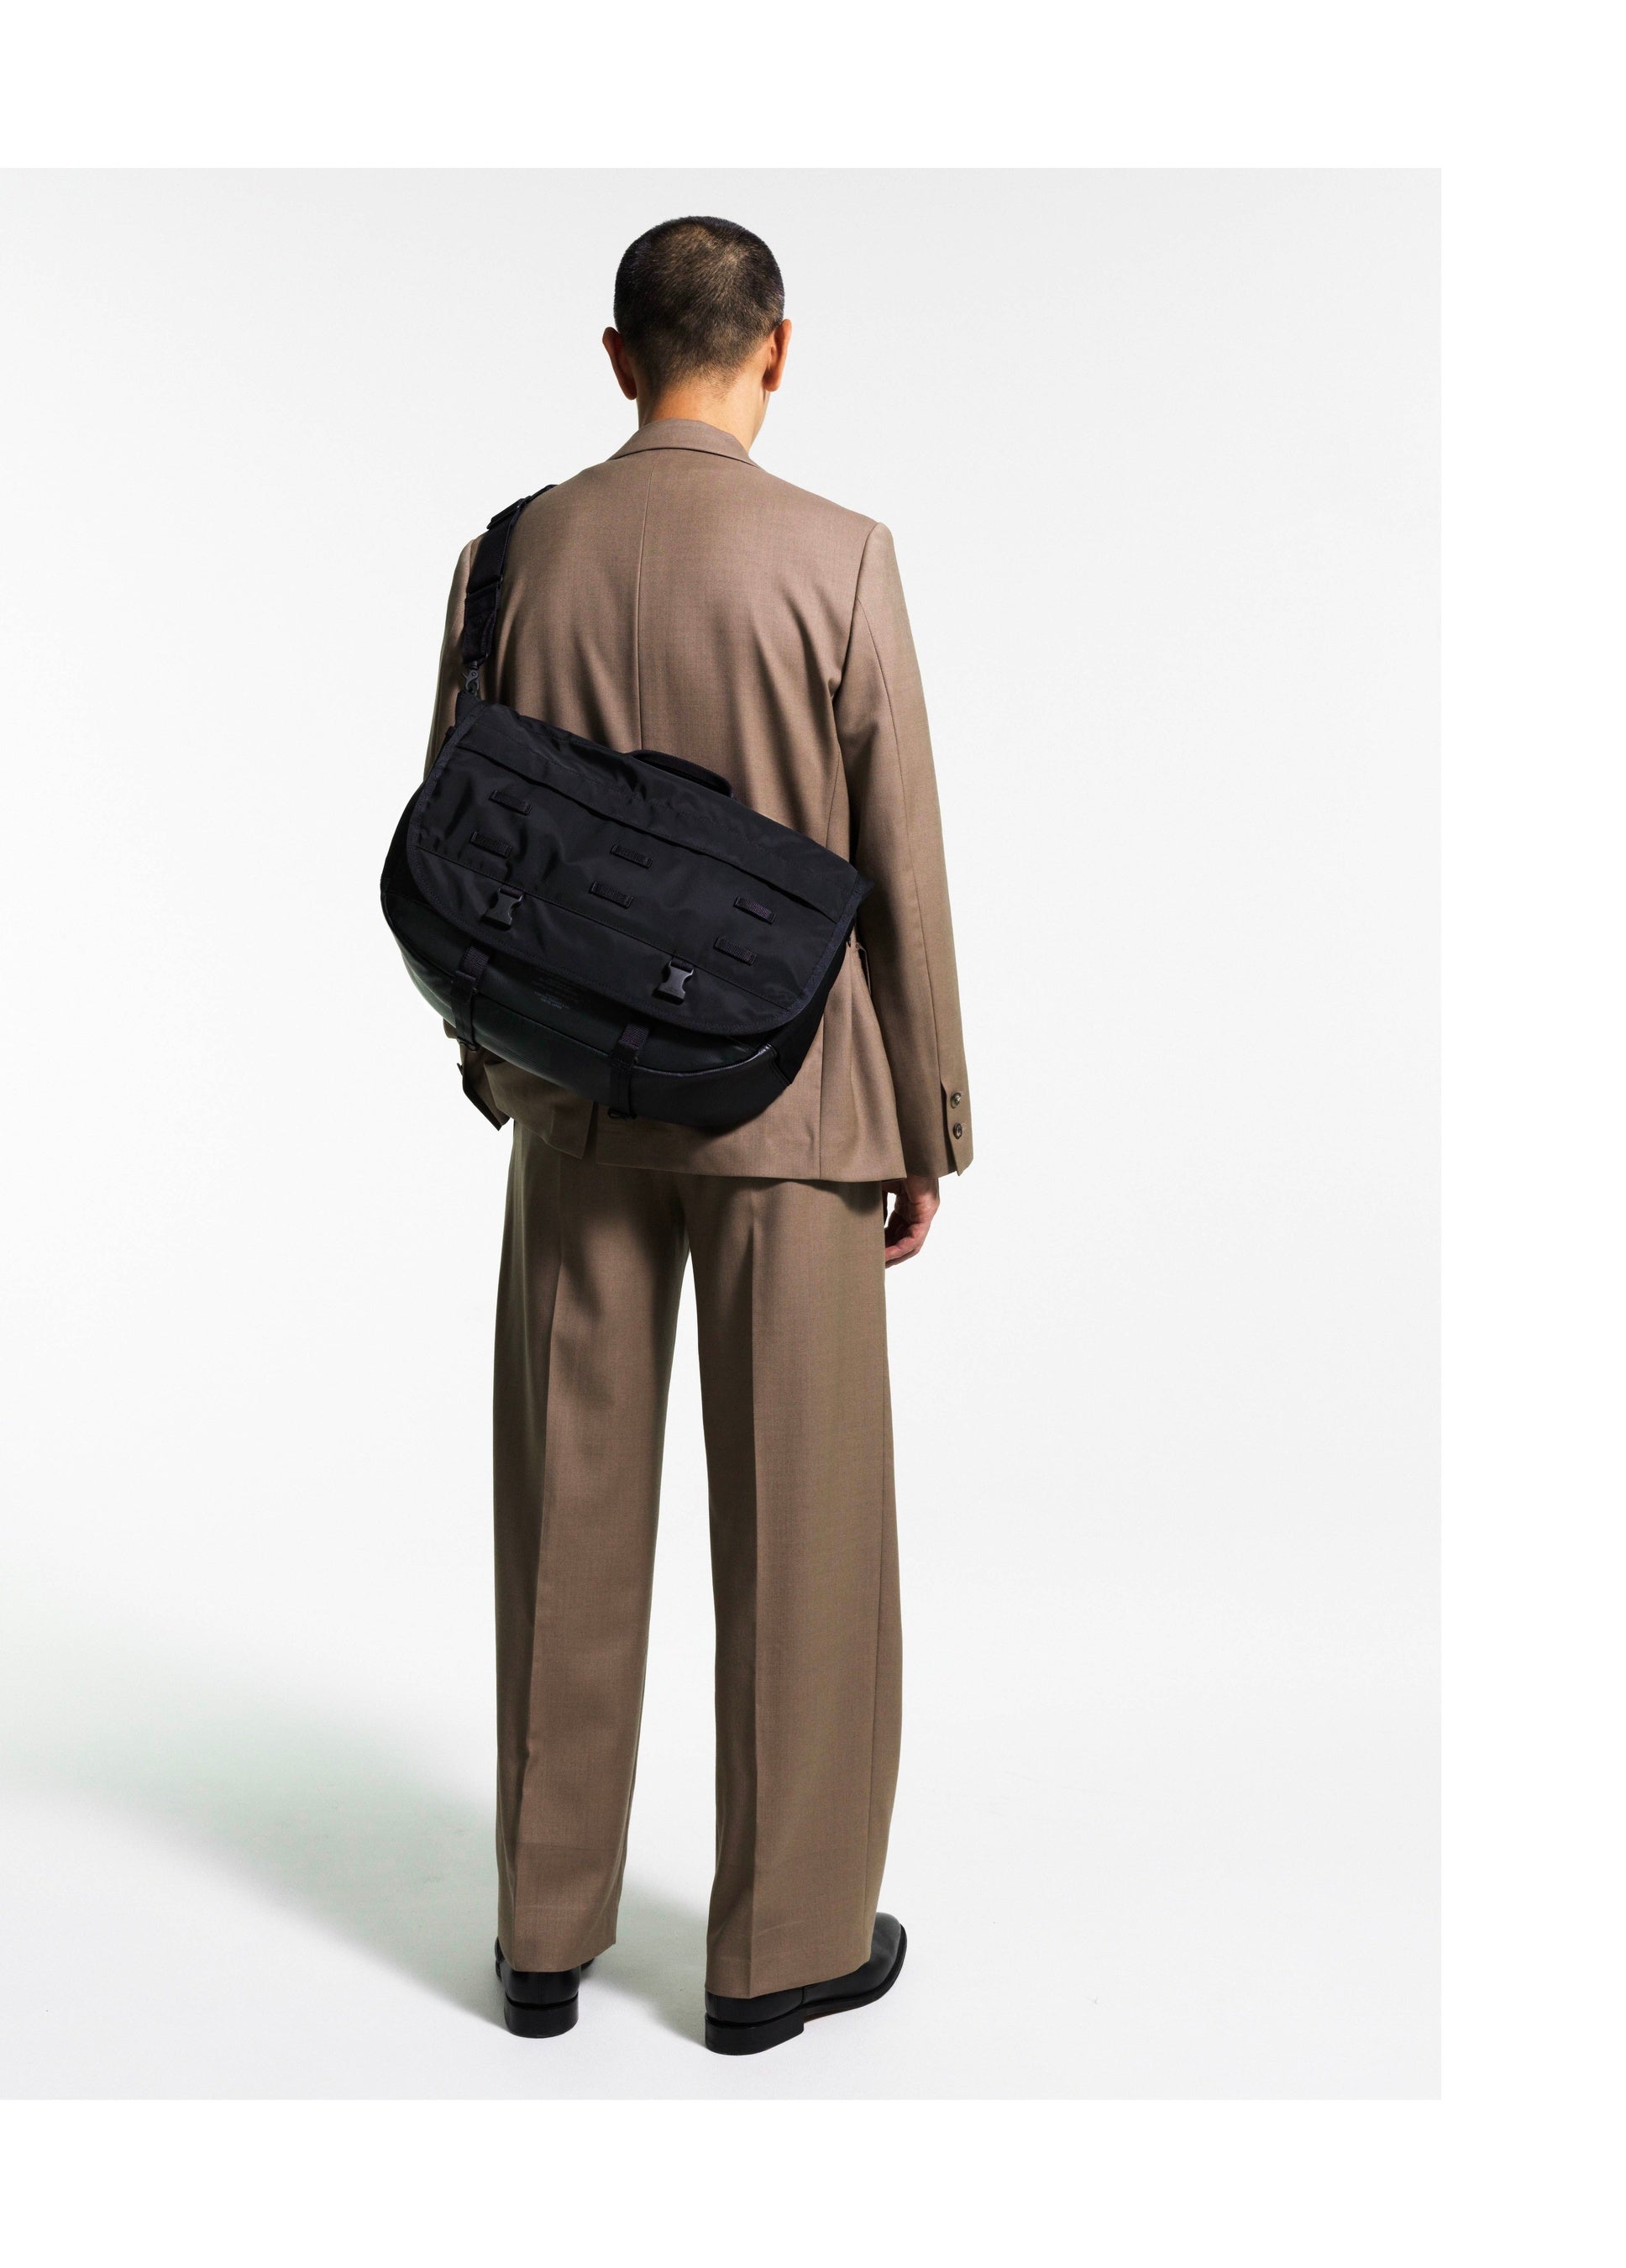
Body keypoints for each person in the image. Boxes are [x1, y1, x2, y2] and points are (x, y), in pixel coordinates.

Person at [420, 215, 973, 2055]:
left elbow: (460, 841)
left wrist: (498, 1070)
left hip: (577, 1104)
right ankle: (776, 1954)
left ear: (616, 356)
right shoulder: (841, 556)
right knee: (803, 1534)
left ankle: (542, 1936)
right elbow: (899, 856)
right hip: (797, 1104)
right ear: (777, 351)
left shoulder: (512, 555)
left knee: (564, 1522)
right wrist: (927, 1119)